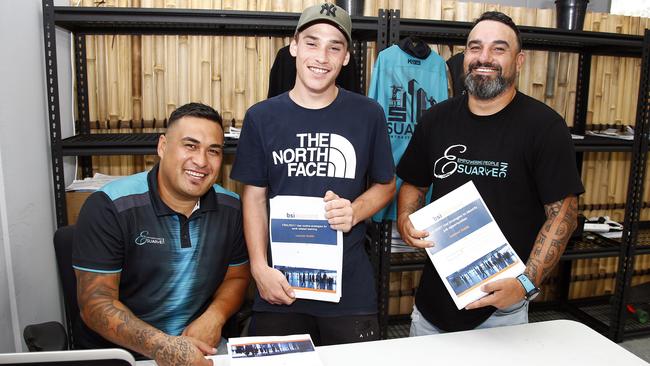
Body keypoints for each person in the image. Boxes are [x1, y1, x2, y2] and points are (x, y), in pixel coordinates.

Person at [396, 11, 584, 335]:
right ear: (465, 54)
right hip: (432, 306)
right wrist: (404, 219)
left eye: (498, 49)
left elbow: (563, 215)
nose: (484, 57)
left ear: (519, 61)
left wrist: (525, 283)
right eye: (475, 47)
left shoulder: (544, 127)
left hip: (502, 311)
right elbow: (413, 182)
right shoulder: (435, 120)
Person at [230, 3, 395, 345]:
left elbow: (386, 184)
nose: (321, 56)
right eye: (311, 42)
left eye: (334, 47)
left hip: (349, 291)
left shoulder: (368, 114)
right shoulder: (262, 117)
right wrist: (259, 269)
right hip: (280, 287)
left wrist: (354, 211)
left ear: (346, 57)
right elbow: (254, 197)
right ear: (293, 46)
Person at [72, 103, 250, 366]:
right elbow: (95, 302)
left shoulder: (231, 208)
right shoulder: (111, 206)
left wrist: (215, 317)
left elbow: (237, 277)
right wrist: (164, 346)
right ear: (163, 147)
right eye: (190, 145)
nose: (201, 161)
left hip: (199, 347)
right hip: (120, 353)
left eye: (213, 151)